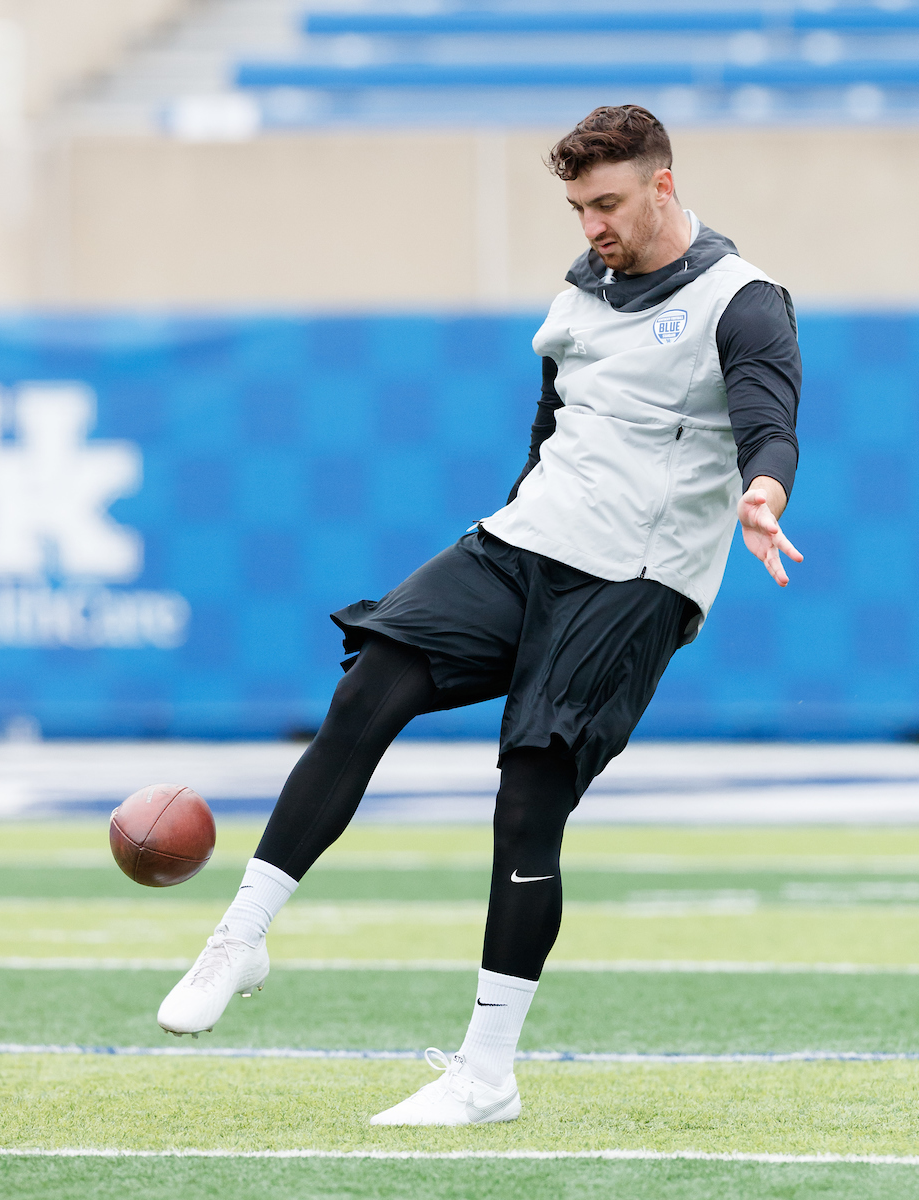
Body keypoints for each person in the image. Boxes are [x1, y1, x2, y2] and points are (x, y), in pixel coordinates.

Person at [155, 104, 802, 1126]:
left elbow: (768, 410)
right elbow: (552, 433)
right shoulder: (578, 296)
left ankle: (485, 1075)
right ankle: (240, 935)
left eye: (608, 203)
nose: (591, 224)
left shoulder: (743, 297)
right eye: (578, 205)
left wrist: (764, 490)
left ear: (664, 187)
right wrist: (506, 534)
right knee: (372, 684)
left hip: (636, 576)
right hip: (529, 540)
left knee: (527, 801)